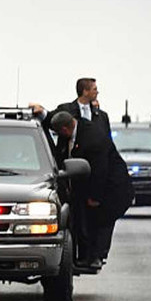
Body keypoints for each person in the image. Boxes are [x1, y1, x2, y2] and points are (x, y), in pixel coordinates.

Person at [49, 111, 133, 268]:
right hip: (92, 184)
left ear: (66, 129)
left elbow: (100, 170)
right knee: (86, 220)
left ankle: (95, 258)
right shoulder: (72, 131)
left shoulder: (92, 139)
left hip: (112, 188)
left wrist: (95, 197)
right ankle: (87, 256)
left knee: (99, 222)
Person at [35, 77, 111, 140]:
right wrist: (41, 111)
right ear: (85, 92)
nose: (97, 92)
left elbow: (107, 141)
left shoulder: (102, 116)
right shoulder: (66, 110)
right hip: (71, 156)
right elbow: (51, 120)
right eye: (94, 89)